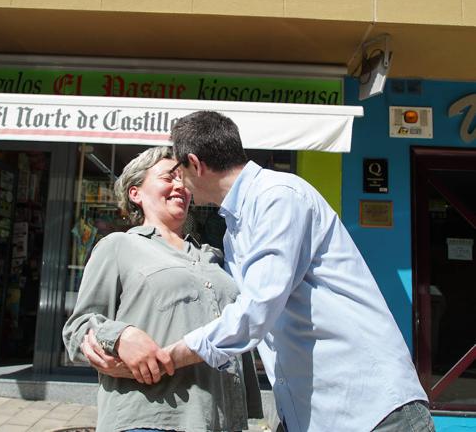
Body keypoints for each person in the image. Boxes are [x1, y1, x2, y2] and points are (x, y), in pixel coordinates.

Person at [86, 111, 433, 432]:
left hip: (370, 409)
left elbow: (255, 311)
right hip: (312, 413)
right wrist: (114, 339)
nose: (182, 185)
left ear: (195, 164)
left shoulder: (278, 197)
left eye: (180, 172)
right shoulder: (235, 228)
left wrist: (168, 358)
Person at [62, 146, 257, 432]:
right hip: (154, 418)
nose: (181, 185)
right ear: (135, 193)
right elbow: (77, 329)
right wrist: (120, 337)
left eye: (184, 179)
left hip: (222, 417)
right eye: (168, 178)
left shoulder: (213, 256)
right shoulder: (119, 246)